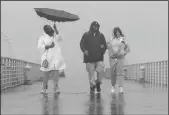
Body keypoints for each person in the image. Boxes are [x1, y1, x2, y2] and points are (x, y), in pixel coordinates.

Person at [38, 23, 66, 94]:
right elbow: (40, 47)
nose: (51, 32)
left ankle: (56, 87)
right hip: (47, 58)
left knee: (55, 73)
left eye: (51, 30)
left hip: (55, 58)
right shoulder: (42, 38)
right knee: (46, 74)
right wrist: (49, 46)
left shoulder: (54, 36)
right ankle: (44, 87)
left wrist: (56, 29)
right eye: (49, 31)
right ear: (46, 31)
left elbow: (60, 38)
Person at [80, 21, 107, 93]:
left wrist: (102, 50)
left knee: (100, 73)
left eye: (97, 26)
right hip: (89, 59)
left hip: (99, 59)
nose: (96, 27)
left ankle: (98, 83)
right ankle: (92, 86)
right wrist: (84, 50)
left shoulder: (101, 35)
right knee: (91, 74)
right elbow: (81, 44)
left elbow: (104, 45)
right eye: (94, 26)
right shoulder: (86, 35)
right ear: (91, 26)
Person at [107, 27, 130, 93]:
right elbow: (106, 47)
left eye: (118, 32)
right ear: (114, 33)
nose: (117, 33)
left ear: (120, 32)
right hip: (112, 58)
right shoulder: (111, 39)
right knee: (113, 73)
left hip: (120, 58)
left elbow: (128, 49)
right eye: (116, 32)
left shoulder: (123, 40)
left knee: (120, 73)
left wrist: (123, 53)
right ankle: (113, 86)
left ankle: (121, 87)